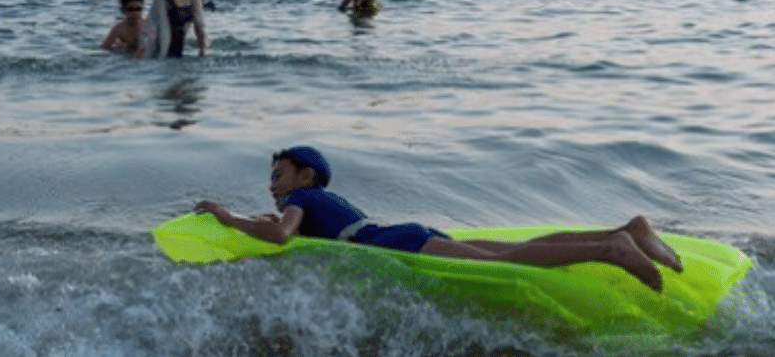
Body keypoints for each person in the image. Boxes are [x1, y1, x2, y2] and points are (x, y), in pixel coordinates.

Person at [194, 146, 684, 293]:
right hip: (407, 232)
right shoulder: (327, 203)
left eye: (277, 175)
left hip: (402, 244)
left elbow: (279, 235)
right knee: (514, 249)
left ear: (304, 175)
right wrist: (246, 219)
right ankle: (627, 230)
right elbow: (274, 223)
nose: (273, 186)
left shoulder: (303, 199)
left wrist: (227, 216)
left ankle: (611, 249)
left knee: (513, 260)